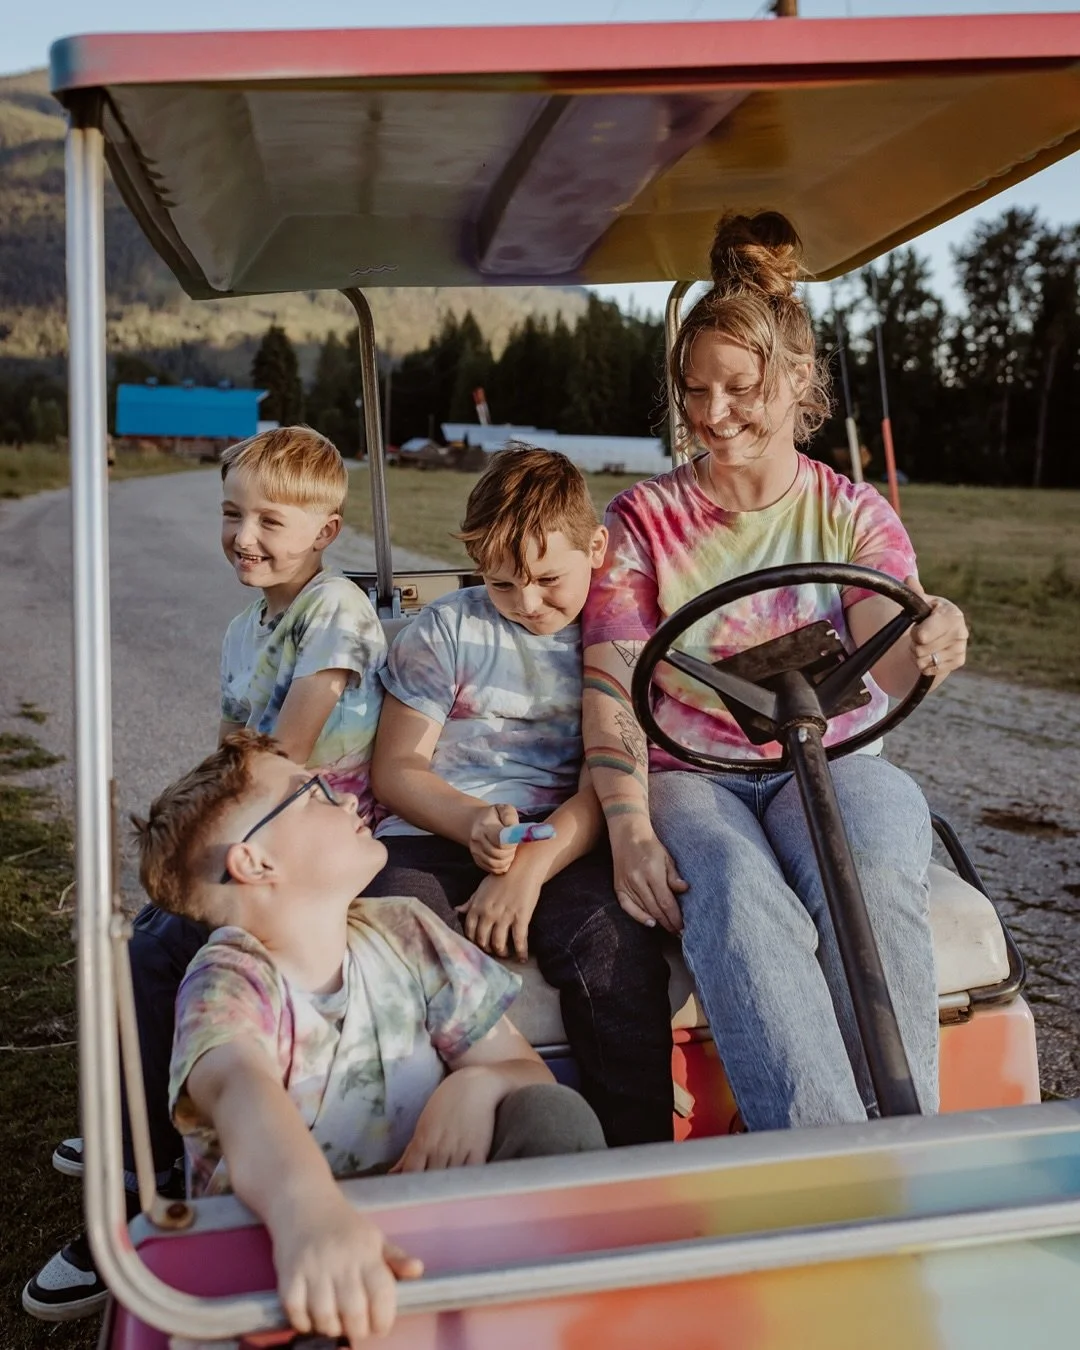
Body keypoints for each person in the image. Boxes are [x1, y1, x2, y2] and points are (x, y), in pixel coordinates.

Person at [581, 212, 969, 1133]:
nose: (712, 414)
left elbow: (890, 645)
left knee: (869, 865)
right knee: (736, 889)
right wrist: (628, 827)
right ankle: (824, 1156)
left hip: (830, 760)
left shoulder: (852, 514)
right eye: (695, 390)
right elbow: (612, 687)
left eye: (739, 389)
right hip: (692, 773)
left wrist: (933, 634)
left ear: (796, 380)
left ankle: (905, 1139)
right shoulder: (641, 522)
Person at [25, 426, 388, 1321]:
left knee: (160, 951)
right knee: (145, 927)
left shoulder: (336, 611)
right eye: (232, 515)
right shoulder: (242, 627)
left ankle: (140, 1183)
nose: (244, 537)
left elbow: (285, 751)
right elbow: (228, 756)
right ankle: (137, 1119)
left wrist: (208, 839)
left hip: (311, 834)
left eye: (270, 521)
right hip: (257, 828)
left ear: (325, 531)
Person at [157, 732, 604, 1345]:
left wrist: (477, 1084)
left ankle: (545, 1317)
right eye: (313, 793)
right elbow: (239, 1088)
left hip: (429, 1232)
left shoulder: (406, 930)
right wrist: (309, 1217)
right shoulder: (228, 981)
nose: (345, 797)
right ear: (255, 863)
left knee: (551, 1113)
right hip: (291, 1258)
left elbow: (528, 1073)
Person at [365, 445, 675, 1148]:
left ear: (595, 548)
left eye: (547, 579)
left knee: (615, 952)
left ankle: (635, 1160)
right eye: (502, 584)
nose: (527, 603)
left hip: (563, 837)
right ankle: (417, 1151)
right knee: (395, 937)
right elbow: (398, 769)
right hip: (438, 830)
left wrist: (528, 869)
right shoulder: (447, 630)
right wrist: (471, 819)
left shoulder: (615, 641)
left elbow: (610, 778)